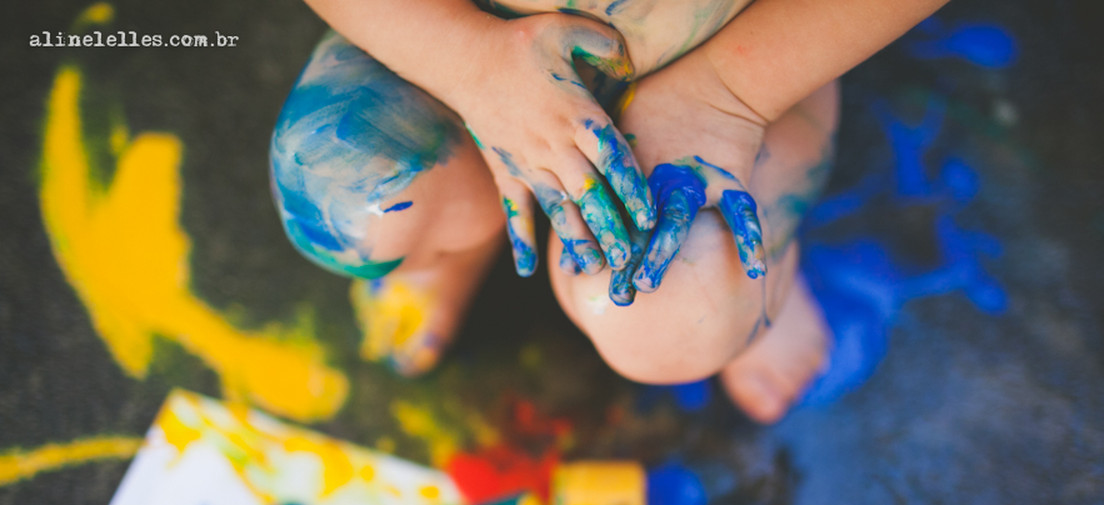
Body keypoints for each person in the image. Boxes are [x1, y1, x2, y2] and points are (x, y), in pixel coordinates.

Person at [270, 0, 948, 423]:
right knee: (359, 204)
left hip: (737, 65)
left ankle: (762, 267)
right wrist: (465, 62)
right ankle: (458, 236)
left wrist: (728, 94)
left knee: (676, 319)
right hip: (456, 44)